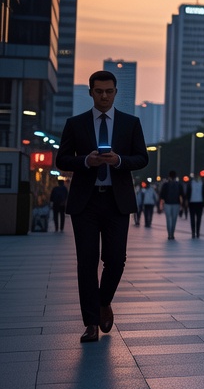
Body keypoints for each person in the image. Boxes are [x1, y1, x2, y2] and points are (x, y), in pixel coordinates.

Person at [55, 70, 149, 343]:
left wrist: (119, 160)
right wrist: (86, 161)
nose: (104, 96)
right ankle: (91, 323)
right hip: (85, 201)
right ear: (91, 92)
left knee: (116, 260)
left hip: (116, 200)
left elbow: (142, 158)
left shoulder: (130, 123)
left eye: (109, 91)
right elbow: (61, 159)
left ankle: (103, 301)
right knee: (86, 261)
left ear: (116, 92)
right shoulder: (76, 123)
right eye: (99, 91)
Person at [158, 171, 183, 239]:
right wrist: (182, 205)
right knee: (174, 219)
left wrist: (161, 205)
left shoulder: (165, 184)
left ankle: (169, 234)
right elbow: (181, 195)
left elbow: (162, 195)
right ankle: (172, 233)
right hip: (176, 204)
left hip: (167, 203)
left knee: (168, 219)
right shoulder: (178, 184)